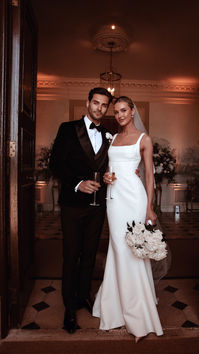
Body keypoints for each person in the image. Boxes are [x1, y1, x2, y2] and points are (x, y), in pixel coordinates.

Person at [92, 96, 164, 342]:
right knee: (117, 248)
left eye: (124, 110)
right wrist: (106, 177)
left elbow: (149, 176)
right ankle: (115, 303)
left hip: (134, 198)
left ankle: (136, 310)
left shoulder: (144, 140)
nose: (120, 114)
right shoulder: (112, 139)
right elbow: (108, 169)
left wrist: (150, 208)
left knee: (133, 250)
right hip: (114, 199)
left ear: (132, 111)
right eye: (117, 111)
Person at [49, 87, 113, 333]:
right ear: (88, 103)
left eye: (104, 105)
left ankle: (84, 296)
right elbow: (55, 163)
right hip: (72, 205)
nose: (99, 108)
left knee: (89, 255)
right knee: (71, 255)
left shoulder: (109, 135)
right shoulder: (68, 129)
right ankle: (69, 307)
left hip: (98, 206)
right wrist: (77, 183)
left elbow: (110, 166)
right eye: (95, 103)